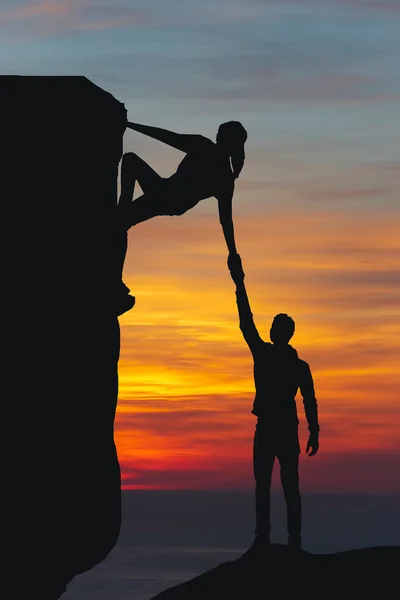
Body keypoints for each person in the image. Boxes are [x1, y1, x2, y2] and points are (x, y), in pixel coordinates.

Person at [227, 253, 320, 551]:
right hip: (284, 428)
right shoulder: (298, 365)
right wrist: (314, 430)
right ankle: (290, 540)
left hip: (269, 427)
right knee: (287, 486)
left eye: (273, 326)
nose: (269, 329)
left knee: (266, 486)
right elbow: (309, 401)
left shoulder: (266, 356)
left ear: (278, 332)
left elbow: (246, 322)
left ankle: (266, 538)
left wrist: (239, 284)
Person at [114, 120, 247, 314]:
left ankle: (121, 212)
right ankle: (116, 278)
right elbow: (226, 221)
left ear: (228, 141)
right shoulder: (225, 177)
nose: (217, 137)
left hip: (165, 194)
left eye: (221, 134)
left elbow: (167, 136)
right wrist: (233, 253)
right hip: (170, 200)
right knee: (122, 224)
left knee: (130, 161)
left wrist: (128, 125)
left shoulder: (206, 151)